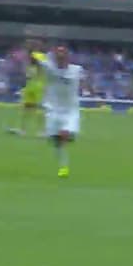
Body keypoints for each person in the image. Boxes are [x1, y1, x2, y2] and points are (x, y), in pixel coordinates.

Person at [38, 45, 85, 178]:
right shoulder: (49, 67)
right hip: (53, 110)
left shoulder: (76, 70)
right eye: (58, 54)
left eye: (63, 53)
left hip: (71, 111)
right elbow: (35, 57)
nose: (60, 57)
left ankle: (67, 135)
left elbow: (84, 82)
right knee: (56, 142)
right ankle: (63, 166)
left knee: (64, 134)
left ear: (67, 57)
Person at [7, 41, 46, 137]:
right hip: (30, 85)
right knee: (27, 108)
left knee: (38, 108)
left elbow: (40, 66)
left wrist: (30, 58)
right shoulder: (30, 56)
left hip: (38, 85)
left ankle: (40, 131)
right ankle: (23, 130)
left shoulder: (40, 56)